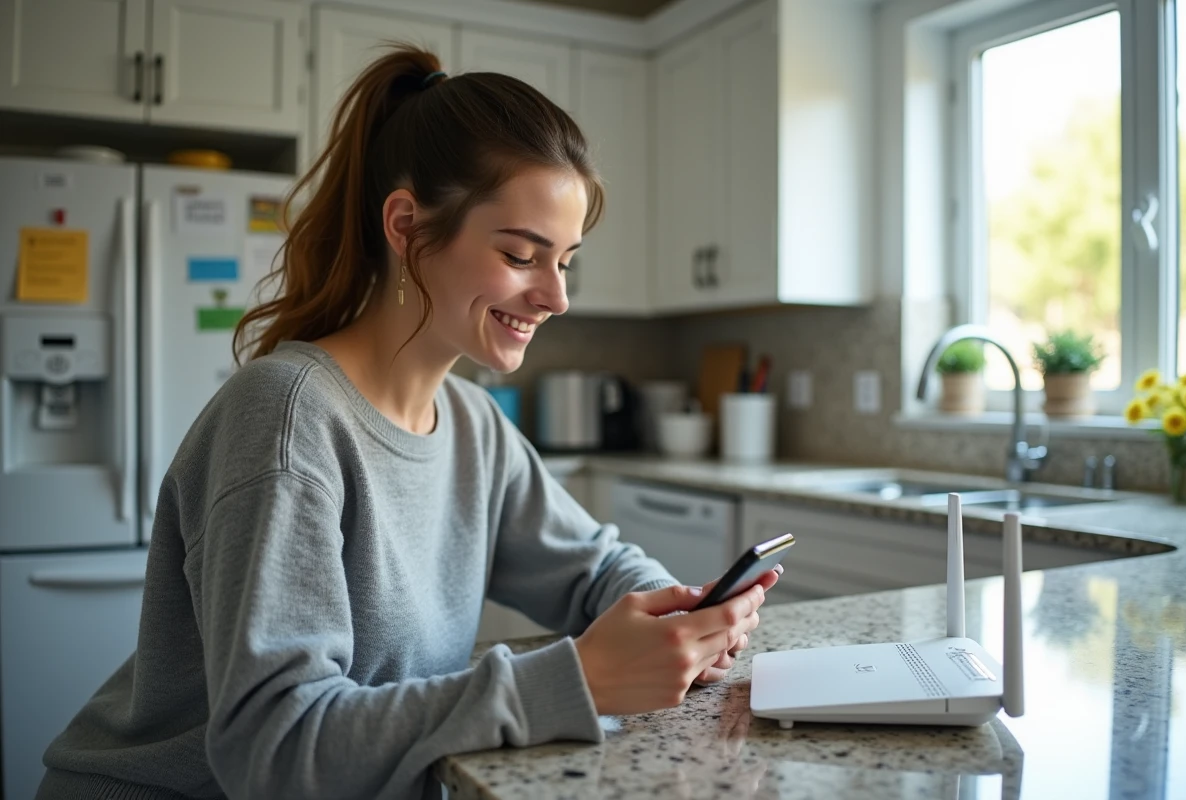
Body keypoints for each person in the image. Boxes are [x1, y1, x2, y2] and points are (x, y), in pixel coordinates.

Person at [37, 45, 779, 800]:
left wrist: (678, 619)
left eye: (566, 262)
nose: (555, 297)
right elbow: (274, 749)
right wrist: (577, 678)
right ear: (407, 227)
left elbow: (593, 566)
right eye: (523, 254)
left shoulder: (471, 424)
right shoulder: (287, 418)